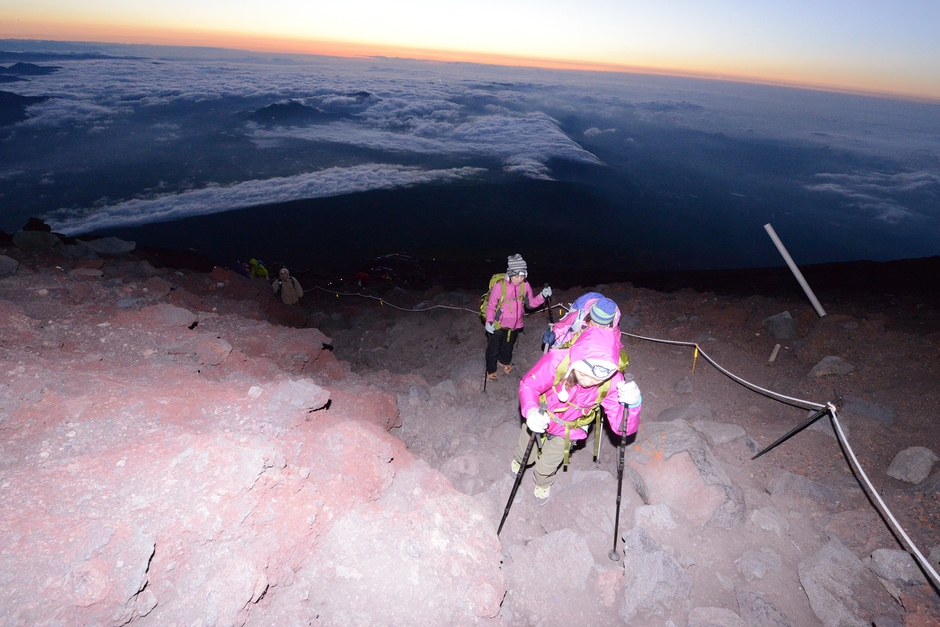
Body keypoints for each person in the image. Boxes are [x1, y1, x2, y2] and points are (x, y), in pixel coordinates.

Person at [512, 326, 642, 502]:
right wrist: (531, 410)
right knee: (525, 451)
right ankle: (520, 460)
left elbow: (622, 429)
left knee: (547, 466)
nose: (588, 382)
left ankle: (542, 483)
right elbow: (530, 385)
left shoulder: (612, 382)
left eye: (596, 379)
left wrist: (632, 405)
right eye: (582, 374)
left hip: (569, 429)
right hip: (541, 415)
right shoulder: (556, 361)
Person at [484, 254, 552, 380]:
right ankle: (491, 370)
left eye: (522, 276)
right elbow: (491, 306)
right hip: (498, 324)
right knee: (493, 349)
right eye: (516, 276)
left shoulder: (525, 285)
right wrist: (489, 322)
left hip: (515, 325)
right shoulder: (499, 286)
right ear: (510, 273)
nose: (519, 279)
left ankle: (504, 362)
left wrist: (542, 295)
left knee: (508, 347)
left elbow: (530, 304)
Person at [544, 293, 621, 350]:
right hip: (570, 344)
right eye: (593, 324)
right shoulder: (578, 316)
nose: (596, 328)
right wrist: (553, 333)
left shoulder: (613, 329)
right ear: (589, 318)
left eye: (602, 327)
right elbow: (563, 326)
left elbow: (616, 345)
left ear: (609, 324)